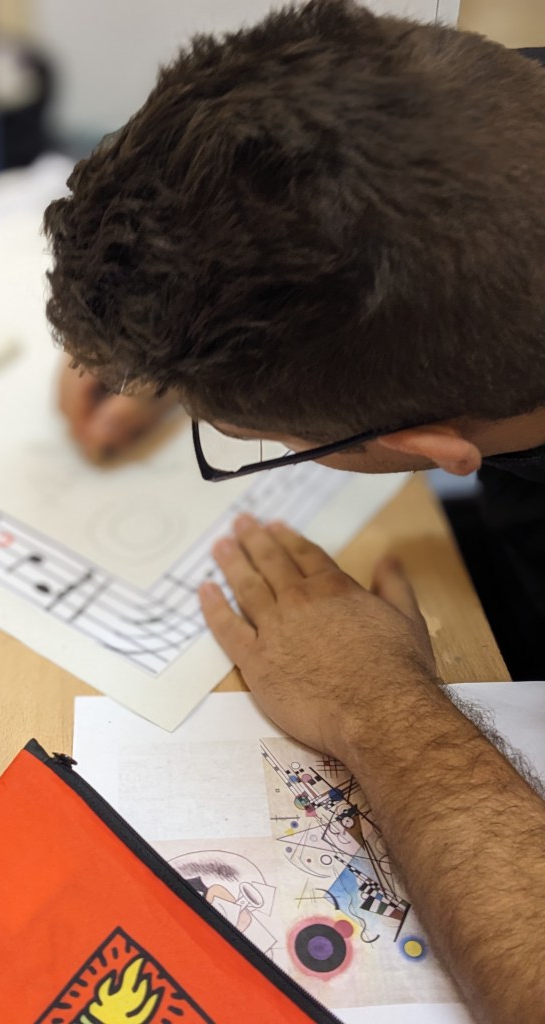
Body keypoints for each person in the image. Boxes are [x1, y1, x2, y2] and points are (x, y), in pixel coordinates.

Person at [44, 2, 545, 1021]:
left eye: (249, 436)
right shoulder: (504, 116)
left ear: (429, 451)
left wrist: (380, 707)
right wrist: (192, 342)